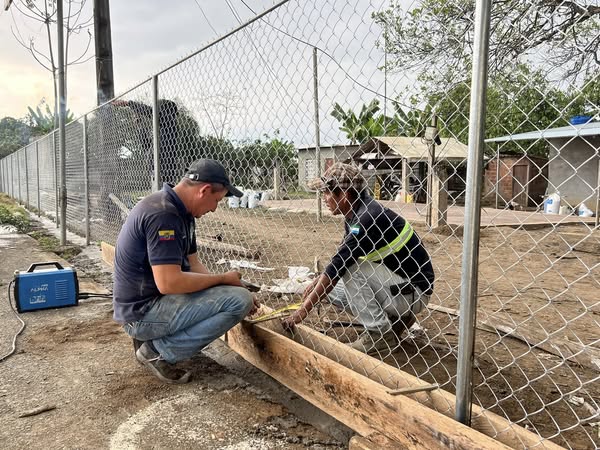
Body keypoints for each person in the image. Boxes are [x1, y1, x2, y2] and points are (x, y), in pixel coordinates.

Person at [112, 158, 258, 384]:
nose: (214, 208)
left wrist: (226, 286)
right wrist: (224, 280)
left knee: (236, 295)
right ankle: (157, 352)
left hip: (146, 305)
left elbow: (193, 263)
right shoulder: (163, 215)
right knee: (239, 301)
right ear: (204, 190)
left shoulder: (180, 212)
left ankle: (151, 342)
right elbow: (168, 283)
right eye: (216, 200)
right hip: (141, 314)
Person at [282, 163, 434, 355]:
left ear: (344, 195)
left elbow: (339, 265)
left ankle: (379, 334)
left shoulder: (367, 218)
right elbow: (339, 258)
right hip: (400, 287)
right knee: (326, 289)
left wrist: (303, 311)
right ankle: (396, 319)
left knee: (349, 269)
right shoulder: (356, 213)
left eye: (327, 192)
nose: (324, 198)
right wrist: (317, 283)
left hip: (413, 293)